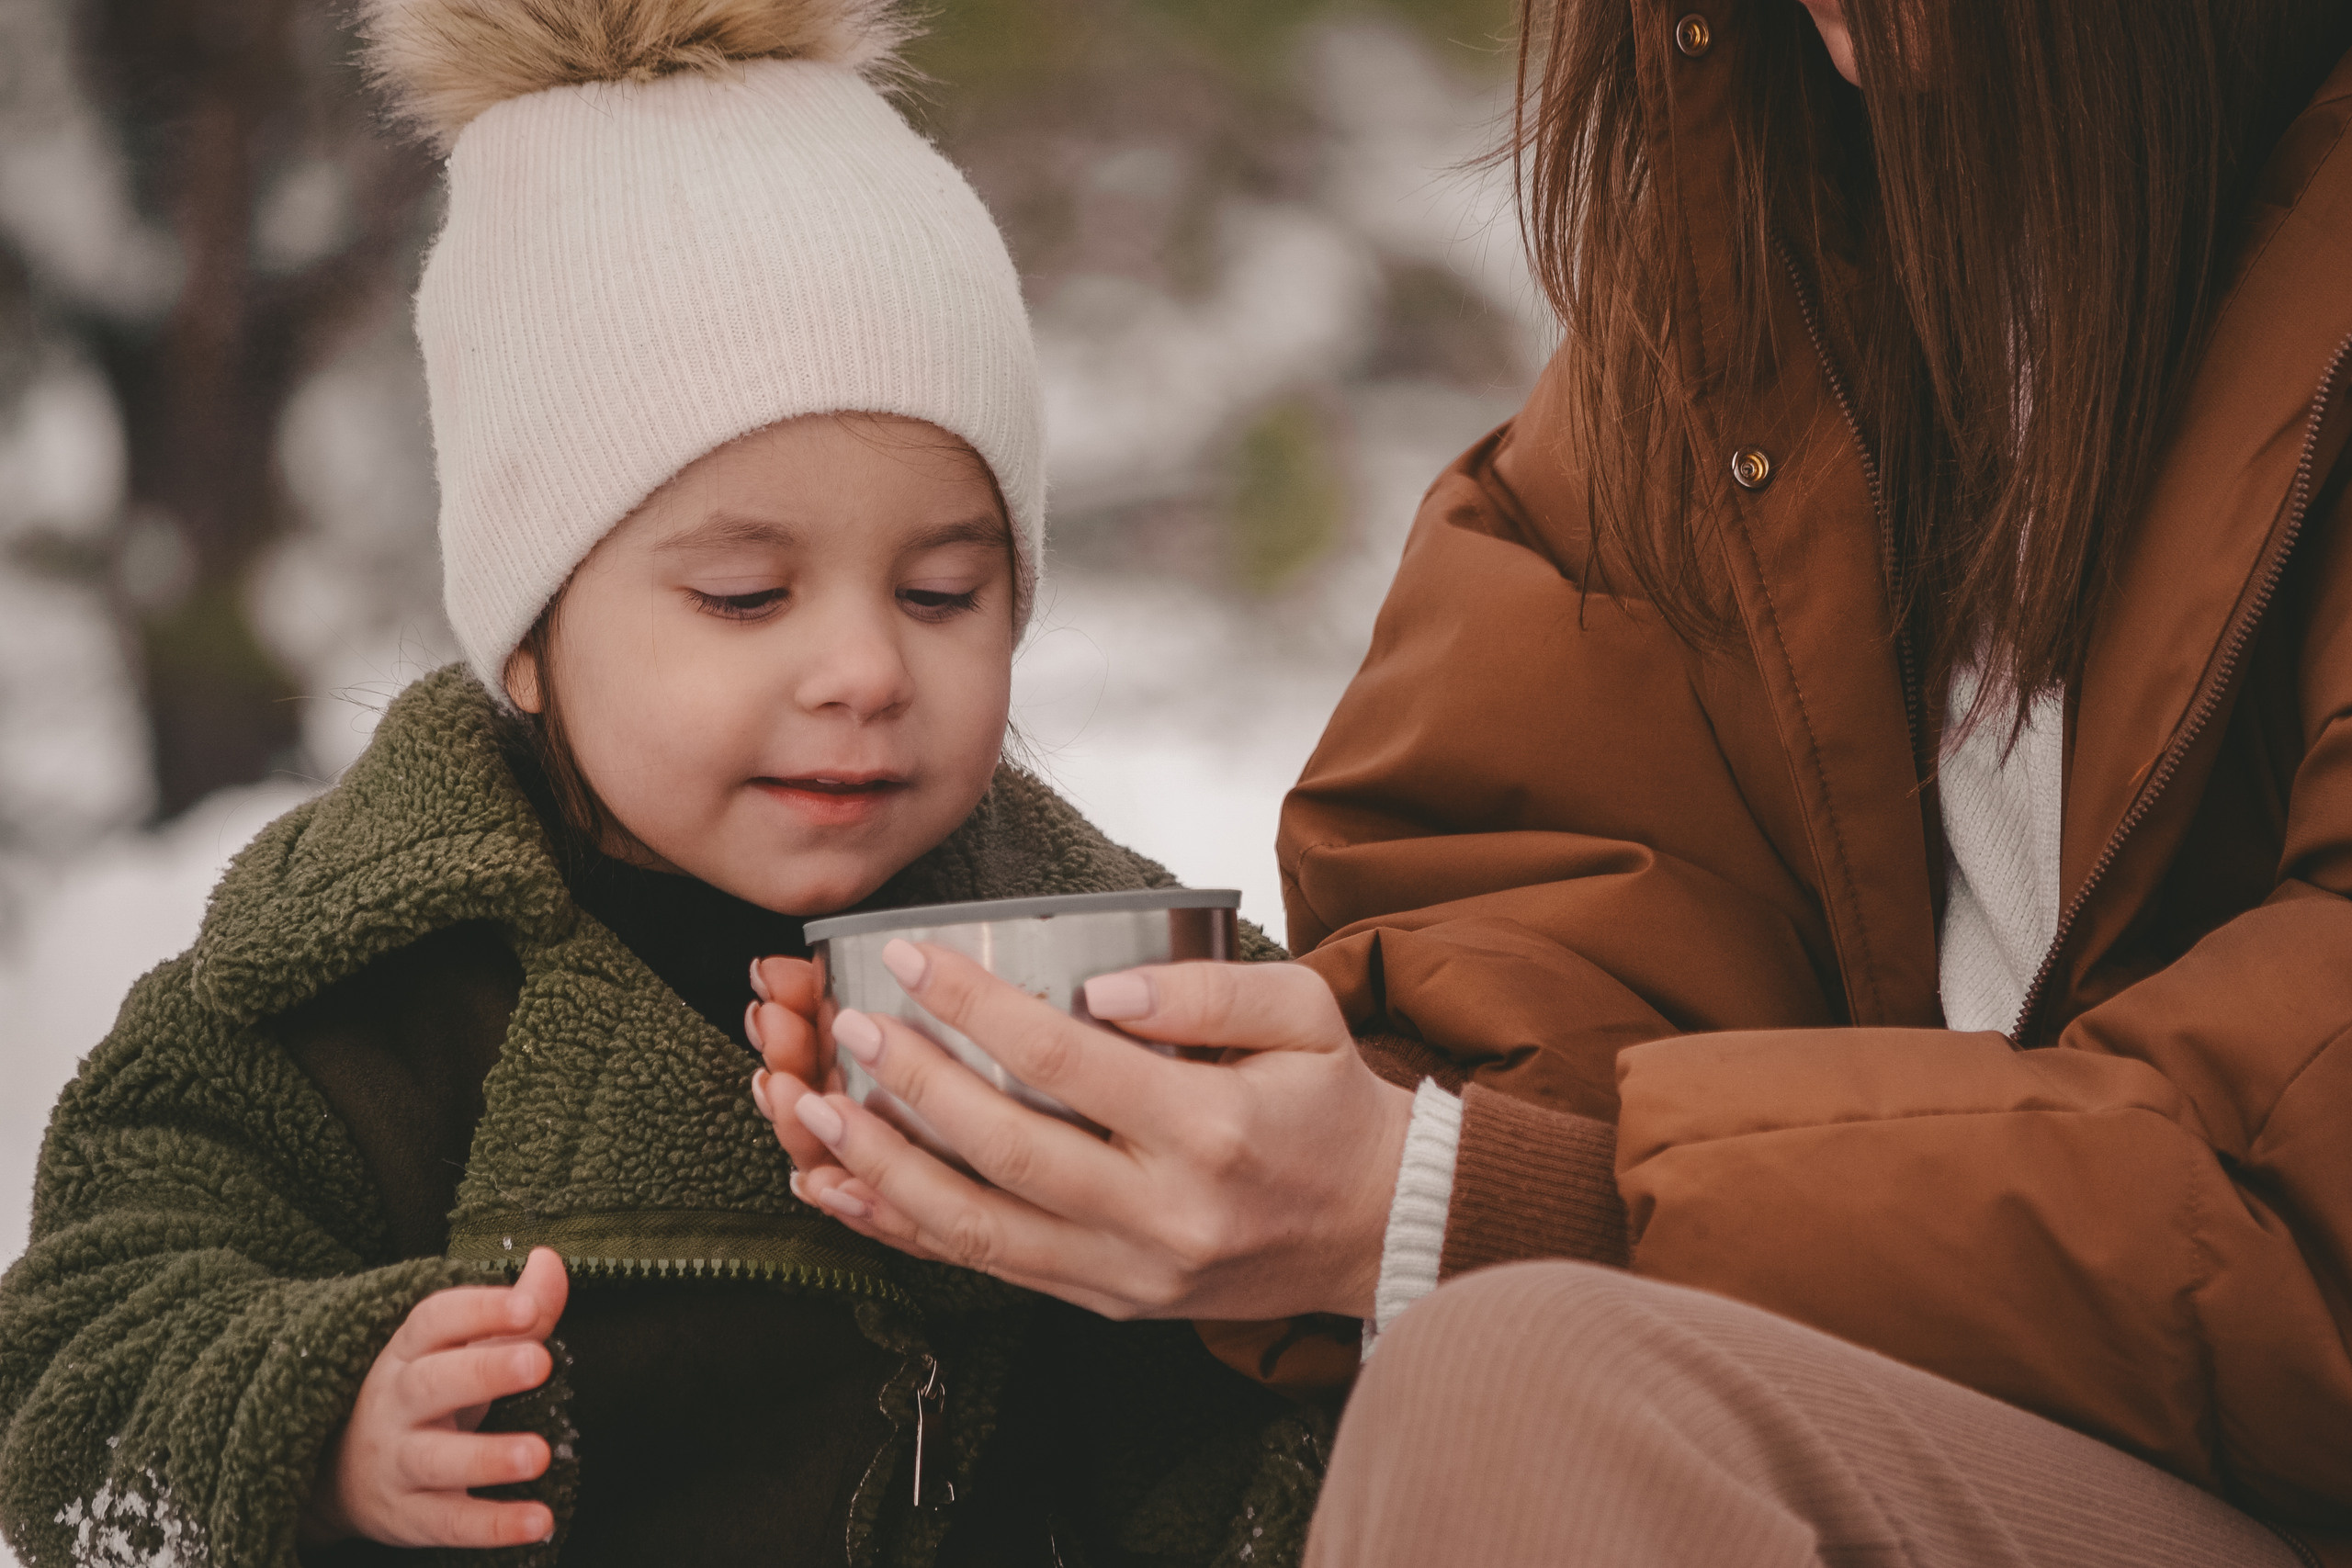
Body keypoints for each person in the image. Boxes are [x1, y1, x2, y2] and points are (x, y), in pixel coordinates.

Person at [762, 0, 2352, 1563]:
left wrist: (1463, 1196)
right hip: (1938, 1425)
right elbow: (1534, 887)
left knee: (1521, 1390)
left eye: (942, 592)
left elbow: (2304, 1183)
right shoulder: (1764, 276)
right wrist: (1291, 1134)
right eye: (743, 596)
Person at [0, 2, 1329, 1564]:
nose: (865, 671)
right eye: (747, 598)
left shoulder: (1082, 967)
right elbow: (75, 1366)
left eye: (944, 592)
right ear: (535, 637)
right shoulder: (364, 976)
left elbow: (1235, 1431)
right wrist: (327, 1428)